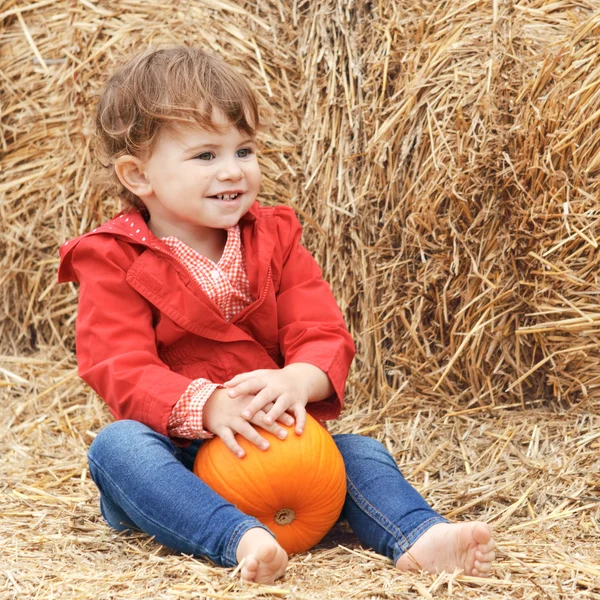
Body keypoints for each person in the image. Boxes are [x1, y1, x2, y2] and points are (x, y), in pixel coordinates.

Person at [58, 46, 495, 584]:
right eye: (205, 156)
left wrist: (297, 379)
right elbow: (116, 363)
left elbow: (320, 329)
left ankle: (418, 535)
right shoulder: (112, 258)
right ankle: (235, 536)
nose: (233, 170)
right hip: (180, 456)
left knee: (359, 453)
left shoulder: (275, 238)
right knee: (117, 449)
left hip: (276, 448)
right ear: (138, 174)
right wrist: (207, 405)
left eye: (244, 150)